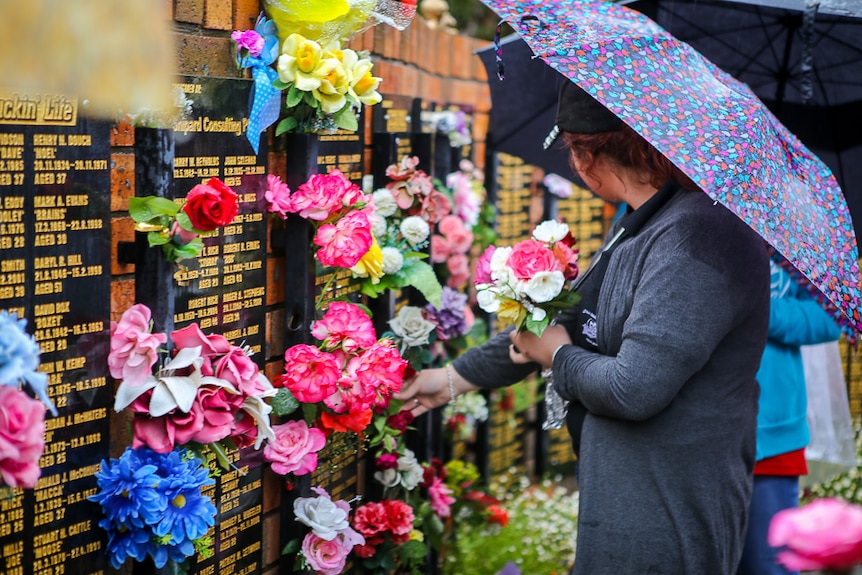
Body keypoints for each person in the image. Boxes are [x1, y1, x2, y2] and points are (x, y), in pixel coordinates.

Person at [397, 80, 772, 574]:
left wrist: (556, 356)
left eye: (573, 153)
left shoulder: (699, 238)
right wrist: (450, 380)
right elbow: (567, 321)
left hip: (669, 498)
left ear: (586, 157)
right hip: (624, 486)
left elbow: (634, 388)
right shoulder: (642, 221)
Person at [737, 260, 841, 575]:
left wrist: (762, 309)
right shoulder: (676, 216)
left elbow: (829, 317)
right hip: (692, 436)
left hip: (771, 438)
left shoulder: (792, 232)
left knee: (769, 566)